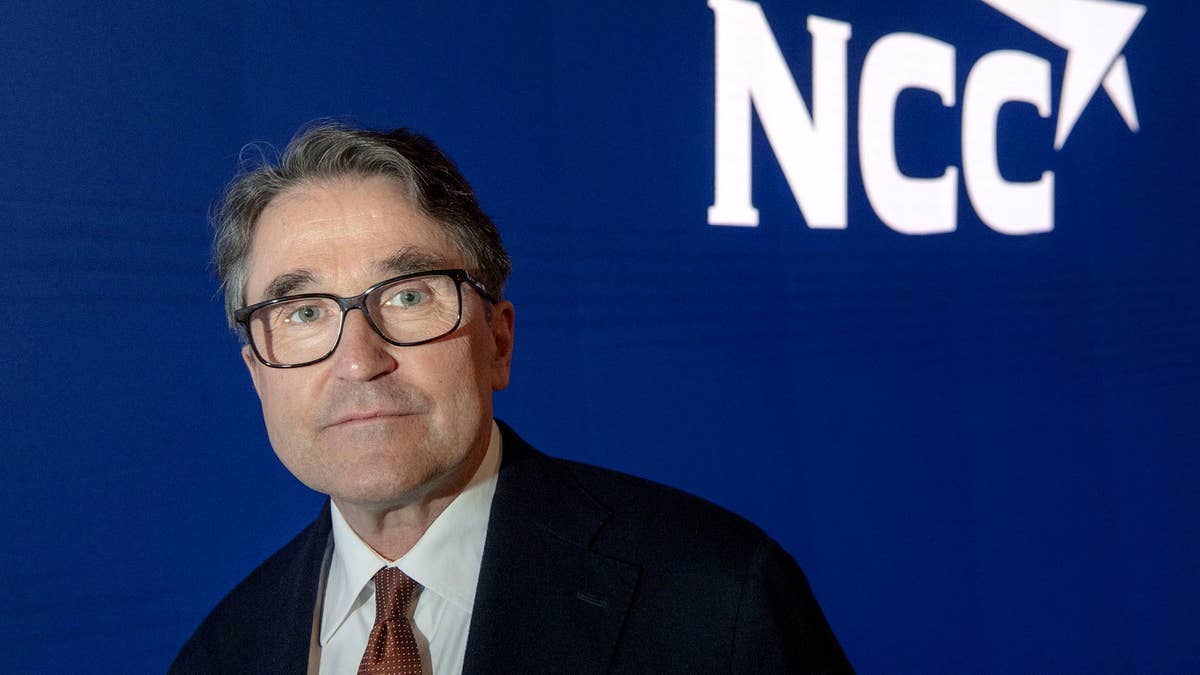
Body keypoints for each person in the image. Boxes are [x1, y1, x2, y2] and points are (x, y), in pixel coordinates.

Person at [170, 122, 851, 674]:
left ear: (498, 342)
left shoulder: (718, 598)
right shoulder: (221, 653)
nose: (358, 360)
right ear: (257, 373)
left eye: (408, 297)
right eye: (303, 313)